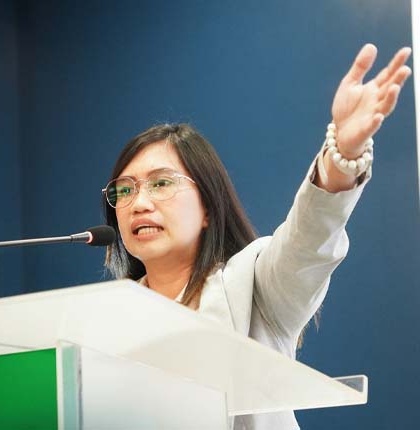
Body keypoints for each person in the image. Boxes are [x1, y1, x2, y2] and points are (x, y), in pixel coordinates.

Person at [102, 44, 411, 430]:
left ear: (208, 208)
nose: (139, 203)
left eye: (161, 183)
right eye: (124, 190)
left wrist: (342, 155)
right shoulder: (106, 320)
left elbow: (309, 239)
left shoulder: (255, 286)